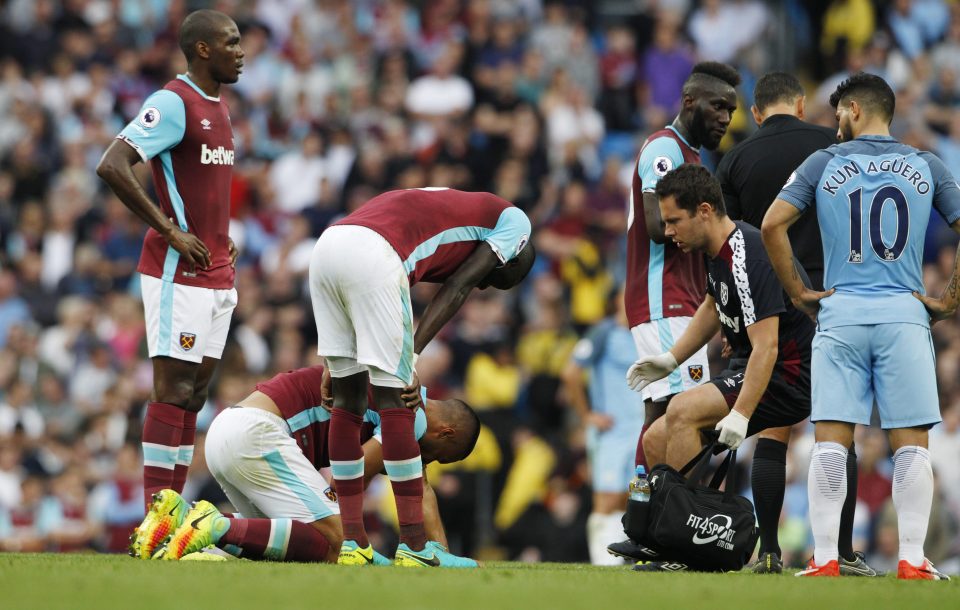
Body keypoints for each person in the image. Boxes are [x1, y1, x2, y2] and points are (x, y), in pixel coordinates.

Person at [762, 72, 960, 580]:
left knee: (831, 441)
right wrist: (949, 300)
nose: (834, 126)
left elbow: (771, 225)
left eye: (837, 115)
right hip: (903, 313)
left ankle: (826, 557)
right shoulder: (926, 164)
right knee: (911, 445)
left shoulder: (822, 163)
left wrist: (798, 292)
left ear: (852, 108)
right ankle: (913, 561)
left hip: (841, 311)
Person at [310, 188, 534, 566]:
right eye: (496, 280)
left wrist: (334, 365)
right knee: (395, 402)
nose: (485, 284)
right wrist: (411, 355)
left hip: (330, 245)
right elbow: (459, 286)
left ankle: (353, 544)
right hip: (375, 254)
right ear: (515, 258)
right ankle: (414, 547)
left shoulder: (455, 206)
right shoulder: (516, 225)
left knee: (347, 403)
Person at [96, 9, 244, 558]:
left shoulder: (220, 108)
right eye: (230, 42)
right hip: (176, 272)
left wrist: (219, 235)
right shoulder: (173, 102)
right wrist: (169, 229)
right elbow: (113, 164)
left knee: (196, 395)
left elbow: (204, 188)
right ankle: (154, 522)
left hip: (216, 270)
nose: (241, 50)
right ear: (203, 50)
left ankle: (171, 523)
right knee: (173, 391)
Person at [715, 72, 874, 575]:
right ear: (802, 106)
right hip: (837, 299)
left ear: (756, 113)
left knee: (775, 430)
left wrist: (730, 324)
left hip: (774, 307)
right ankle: (842, 551)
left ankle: (769, 552)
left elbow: (731, 248)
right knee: (839, 428)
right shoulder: (834, 146)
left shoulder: (736, 159)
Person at [628, 163, 815, 572]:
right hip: (761, 366)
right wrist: (670, 359)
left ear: (706, 210)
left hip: (789, 375)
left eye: (675, 221)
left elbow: (767, 348)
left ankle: (682, 544)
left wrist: (742, 413)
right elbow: (713, 304)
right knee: (657, 436)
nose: (668, 231)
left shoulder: (748, 253)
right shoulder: (718, 252)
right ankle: (671, 540)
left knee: (681, 412)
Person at [139, 365, 481, 565]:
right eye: (439, 455)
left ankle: (180, 520)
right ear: (445, 432)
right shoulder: (414, 414)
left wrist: (441, 556)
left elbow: (419, 487)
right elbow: (353, 476)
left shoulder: (401, 392)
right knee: (339, 542)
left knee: (285, 548)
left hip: (231, 428)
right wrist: (385, 557)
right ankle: (216, 526)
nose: (429, 460)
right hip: (259, 433)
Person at [612, 60, 739, 562]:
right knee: (681, 415)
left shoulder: (687, 153)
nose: (726, 117)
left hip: (677, 299)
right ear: (690, 102)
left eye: (731, 108)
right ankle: (673, 532)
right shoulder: (665, 149)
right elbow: (652, 224)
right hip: (663, 297)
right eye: (718, 106)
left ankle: (644, 527)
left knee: (663, 415)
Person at [560, 288, 643, 565]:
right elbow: (570, 373)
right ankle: (602, 562)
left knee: (629, 498)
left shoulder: (645, 335)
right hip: (610, 432)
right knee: (606, 498)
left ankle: (617, 559)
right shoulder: (602, 332)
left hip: (639, 430)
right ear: (615, 300)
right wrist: (587, 416)